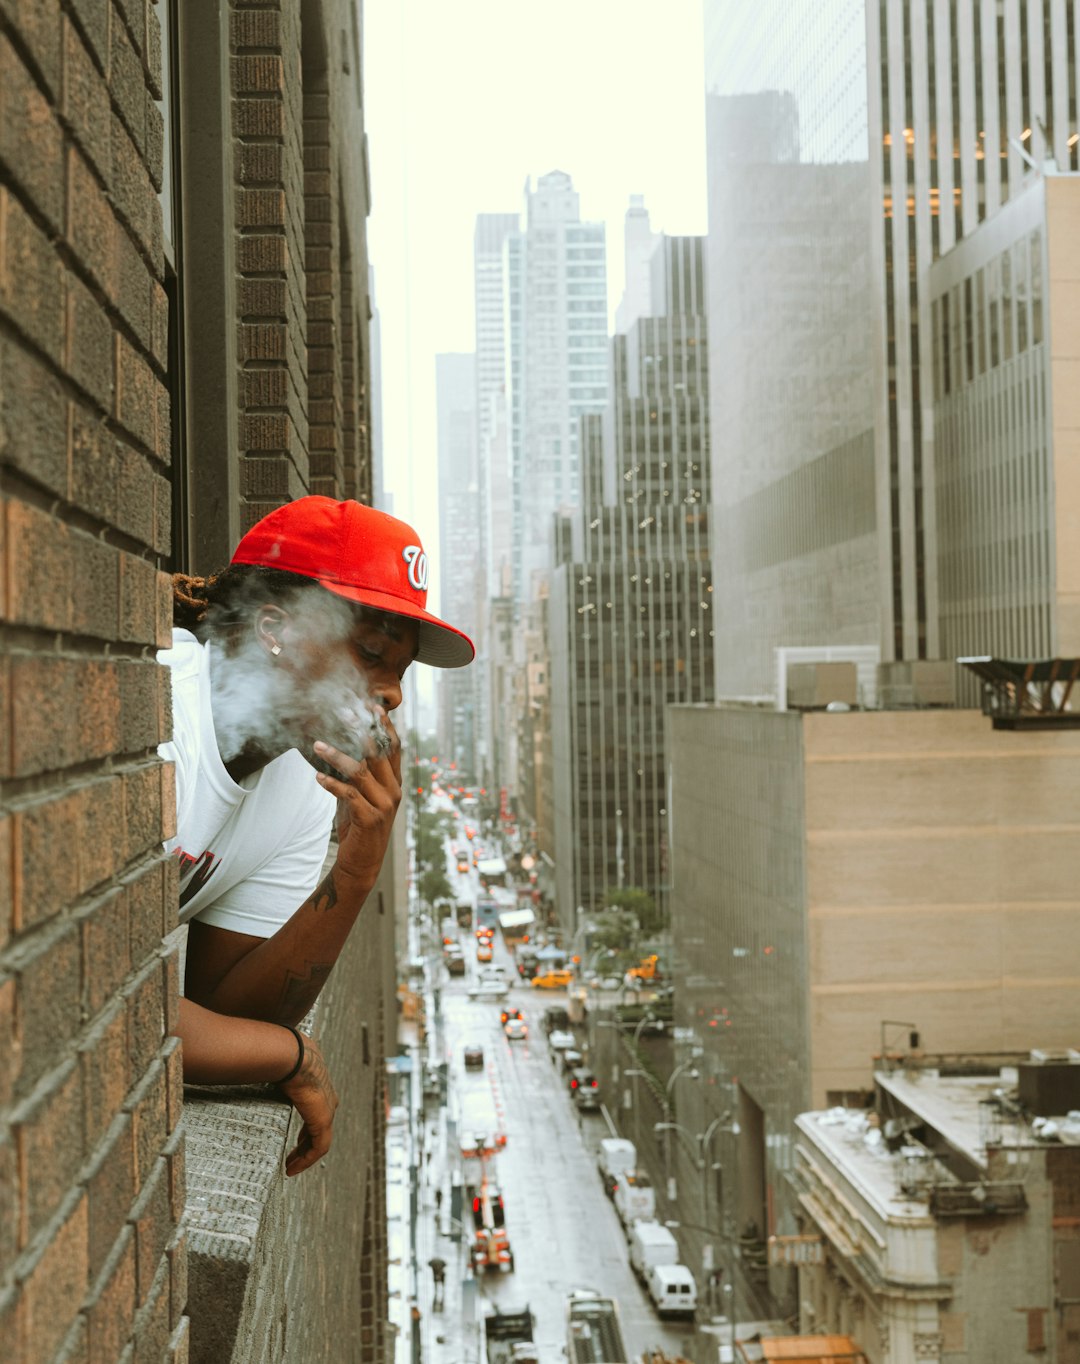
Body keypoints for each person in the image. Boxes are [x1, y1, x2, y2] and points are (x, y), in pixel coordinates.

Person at [162, 497, 473, 1175]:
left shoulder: (302, 788)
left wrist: (359, 870)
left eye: (401, 671)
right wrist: (293, 1056)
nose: (390, 695)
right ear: (276, 628)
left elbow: (225, 1010)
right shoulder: (156, 725)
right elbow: (108, 1010)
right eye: (370, 654)